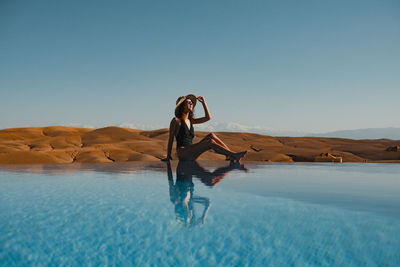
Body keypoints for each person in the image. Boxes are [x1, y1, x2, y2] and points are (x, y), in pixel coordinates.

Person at [162, 94, 247, 162]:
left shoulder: (191, 121)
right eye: (188, 102)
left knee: (212, 135)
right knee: (210, 142)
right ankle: (234, 155)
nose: (191, 104)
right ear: (182, 106)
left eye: (192, 102)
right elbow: (170, 139)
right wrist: (168, 156)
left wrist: (203, 103)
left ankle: (229, 155)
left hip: (192, 151)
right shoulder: (176, 121)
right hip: (183, 153)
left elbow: (208, 118)